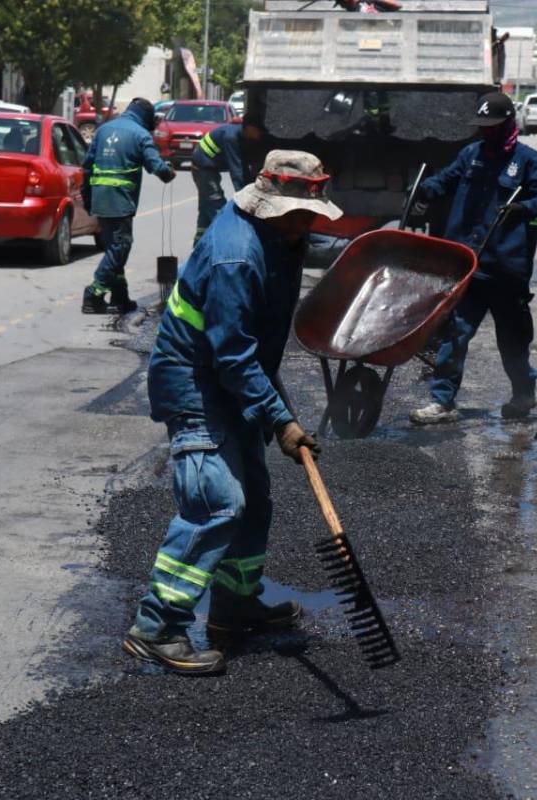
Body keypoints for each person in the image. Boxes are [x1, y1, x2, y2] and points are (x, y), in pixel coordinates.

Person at [123, 150, 343, 676]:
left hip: (237, 377)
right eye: (304, 214)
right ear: (274, 207)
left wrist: (274, 411)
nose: (310, 223)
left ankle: (235, 607)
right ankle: (155, 627)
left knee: (256, 502)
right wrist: (281, 420)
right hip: (195, 379)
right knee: (217, 501)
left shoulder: (282, 236)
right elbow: (231, 355)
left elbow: (249, 353)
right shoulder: (235, 254)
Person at [409, 91, 537, 425]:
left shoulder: (527, 161)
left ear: (507, 124)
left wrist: (524, 208)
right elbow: (444, 180)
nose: (486, 132)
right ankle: (442, 401)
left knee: (513, 341)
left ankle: (523, 393)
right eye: (482, 126)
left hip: (506, 270)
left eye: (492, 126)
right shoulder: (470, 154)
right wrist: (426, 190)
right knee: (455, 334)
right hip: (468, 265)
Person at [81, 97, 176, 315]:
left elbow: (86, 167)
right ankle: (94, 293)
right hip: (120, 200)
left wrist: (87, 199)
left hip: (100, 199)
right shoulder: (140, 135)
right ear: (145, 117)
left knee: (114, 246)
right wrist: (168, 172)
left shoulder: (103, 130)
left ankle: (120, 296)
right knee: (120, 246)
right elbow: (157, 167)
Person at [190, 113, 265, 244]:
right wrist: (245, 198)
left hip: (209, 167)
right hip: (202, 166)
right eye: (259, 129)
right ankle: (225, 242)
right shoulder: (231, 137)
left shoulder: (243, 137)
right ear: (249, 128)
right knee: (216, 203)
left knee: (205, 206)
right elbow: (236, 170)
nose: (261, 133)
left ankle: (199, 242)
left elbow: (244, 167)